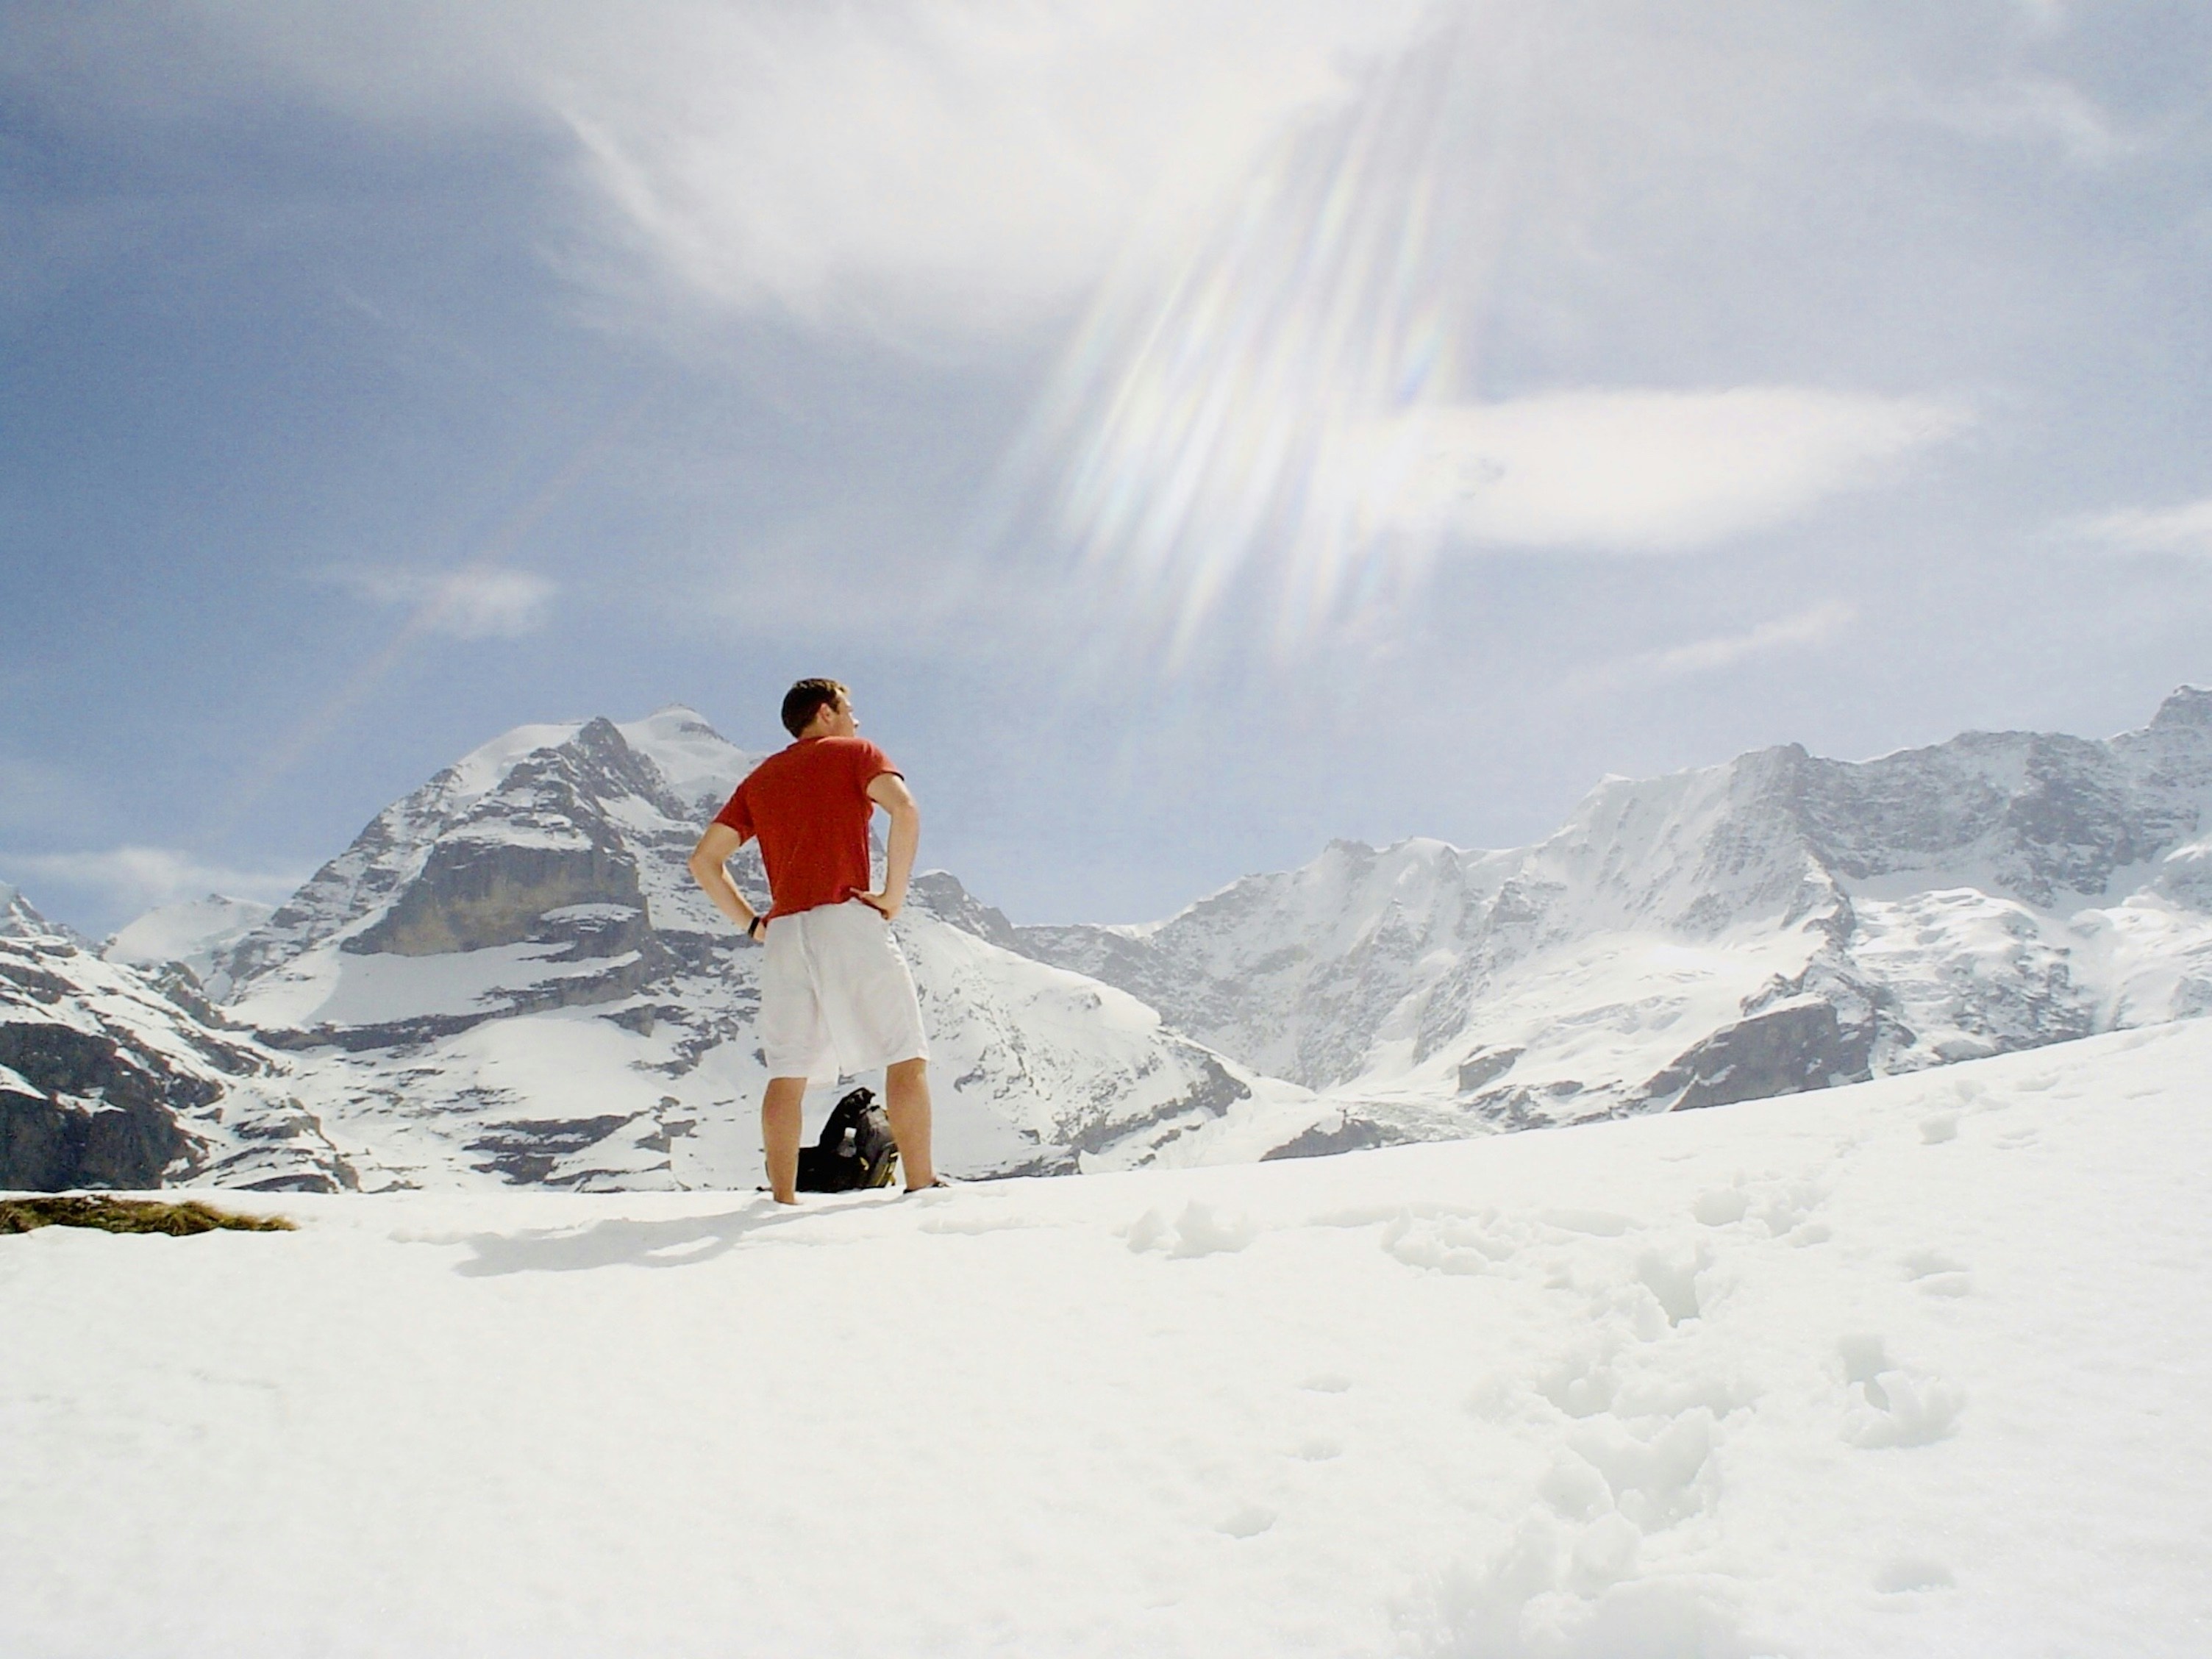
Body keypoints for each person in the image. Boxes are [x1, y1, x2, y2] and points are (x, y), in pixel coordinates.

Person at [688, 679, 939, 1202]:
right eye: (850, 711)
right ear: (826, 714)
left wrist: (754, 924)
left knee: (787, 1073)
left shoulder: (758, 781)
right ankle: (921, 1186)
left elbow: (704, 861)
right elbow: (906, 810)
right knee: (905, 1052)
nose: (857, 722)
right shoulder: (855, 754)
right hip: (845, 919)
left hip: (784, 935)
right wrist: (893, 895)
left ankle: (782, 1199)